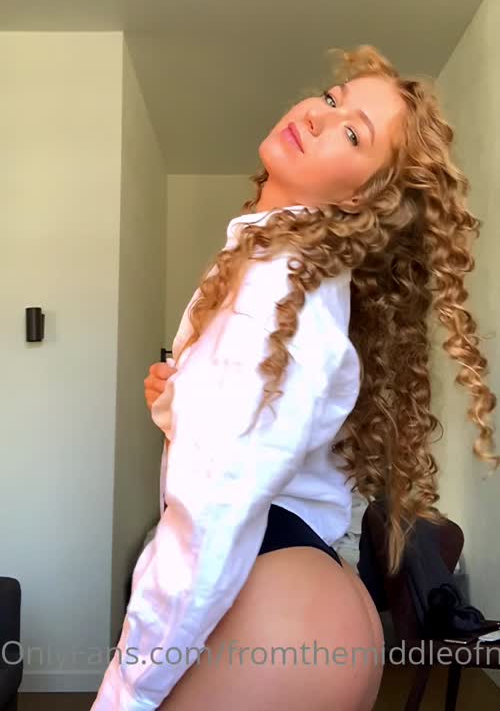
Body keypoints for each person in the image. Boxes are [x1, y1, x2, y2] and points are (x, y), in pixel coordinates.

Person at [91, 45, 498, 711]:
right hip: (301, 596)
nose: (318, 114)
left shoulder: (278, 283)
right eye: (334, 99)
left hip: (273, 602)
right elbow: (270, 443)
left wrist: (124, 691)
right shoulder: (293, 278)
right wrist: (179, 403)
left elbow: (215, 503)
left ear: (364, 197)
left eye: (352, 133)